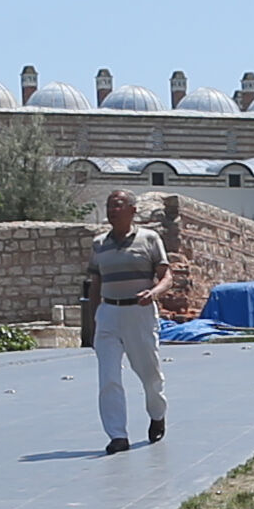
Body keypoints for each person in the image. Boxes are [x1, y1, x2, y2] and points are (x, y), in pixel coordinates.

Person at [87, 191, 174, 454]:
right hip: (109, 314)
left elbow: (166, 276)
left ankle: (157, 414)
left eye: (118, 205)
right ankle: (117, 435)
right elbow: (95, 284)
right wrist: (93, 321)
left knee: (150, 374)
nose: (112, 210)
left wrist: (153, 293)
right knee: (108, 377)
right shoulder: (99, 244)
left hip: (139, 313)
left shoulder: (150, 239)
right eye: (109, 206)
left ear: (132, 210)